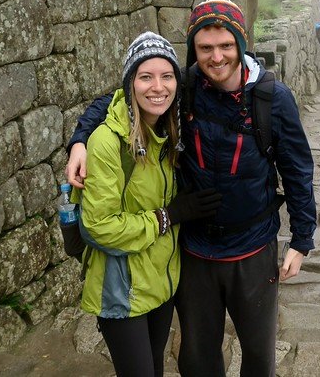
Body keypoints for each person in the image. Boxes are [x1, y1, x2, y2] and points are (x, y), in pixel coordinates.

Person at [66, 0, 317, 377]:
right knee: (198, 358)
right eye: (205, 48)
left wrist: (301, 240)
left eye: (226, 46)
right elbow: (115, 101)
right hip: (195, 250)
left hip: (253, 247)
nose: (216, 57)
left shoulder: (271, 99)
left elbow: (297, 170)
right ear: (193, 50)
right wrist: (80, 141)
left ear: (240, 44)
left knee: (259, 356)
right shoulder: (182, 87)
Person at [79, 32, 223, 377]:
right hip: (122, 290)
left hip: (160, 283)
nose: (158, 87)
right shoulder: (107, 143)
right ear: (131, 84)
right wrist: (169, 216)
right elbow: (98, 227)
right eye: (145, 77)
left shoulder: (167, 134)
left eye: (167, 76)